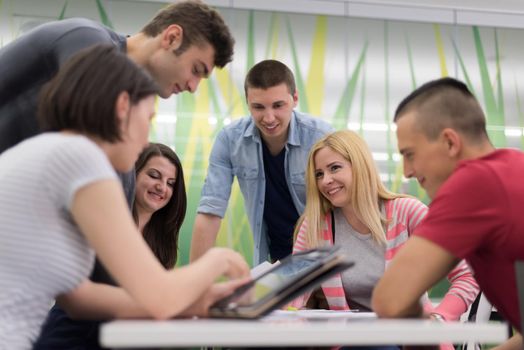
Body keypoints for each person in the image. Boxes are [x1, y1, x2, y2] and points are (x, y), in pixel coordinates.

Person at [0, 44, 249, 350]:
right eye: (149, 117)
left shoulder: (48, 152)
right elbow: (160, 297)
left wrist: (194, 305)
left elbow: (79, 298)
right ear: (122, 107)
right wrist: (219, 258)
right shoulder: (81, 157)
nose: (146, 138)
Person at [0, 0, 234, 203]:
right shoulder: (87, 39)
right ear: (172, 38)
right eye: (196, 69)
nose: (193, 87)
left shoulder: (127, 102)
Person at [371, 77, 524, 350]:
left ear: (450, 142)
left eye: (410, 154)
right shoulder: (513, 165)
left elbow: (389, 300)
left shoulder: (476, 182)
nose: (406, 171)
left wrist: (425, 329)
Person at [290, 130, 478, 323]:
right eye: (319, 174)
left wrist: (441, 317)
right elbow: (292, 293)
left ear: (360, 167)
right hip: (350, 341)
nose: (325, 180)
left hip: (408, 337)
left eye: (335, 168)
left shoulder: (407, 212)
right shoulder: (315, 225)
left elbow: (468, 275)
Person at [34, 142, 187, 349]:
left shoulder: (162, 241)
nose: (162, 187)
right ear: (134, 174)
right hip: (73, 333)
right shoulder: (107, 220)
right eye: (154, 175)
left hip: (121, 337)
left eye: (171, 183)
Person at [189, 59, 334, 265]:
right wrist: (196, 283)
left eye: (278, 105)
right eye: (258, 107)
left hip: (324, 258)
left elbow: (347, 204)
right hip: (276, 261)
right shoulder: (230, 140)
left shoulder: (322, 136)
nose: (269, 118)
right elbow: (210, 210)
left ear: (294, 99)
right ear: (247, 102)